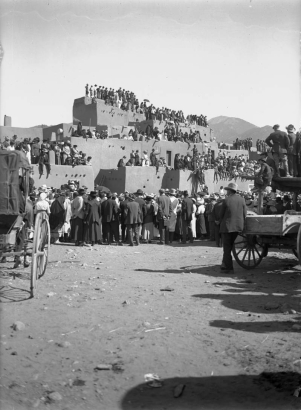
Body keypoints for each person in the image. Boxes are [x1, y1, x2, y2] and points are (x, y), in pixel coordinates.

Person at [218, 183, 247, 273]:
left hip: (227, 227)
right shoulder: (242, 200)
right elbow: (244, 214)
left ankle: (229, 268)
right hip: (238, 226)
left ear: (229, 191)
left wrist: (219, 221)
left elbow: (221, 215)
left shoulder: (227, 200)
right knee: (229, 247)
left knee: (227, 248)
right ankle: (224, 264)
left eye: (227, 190)